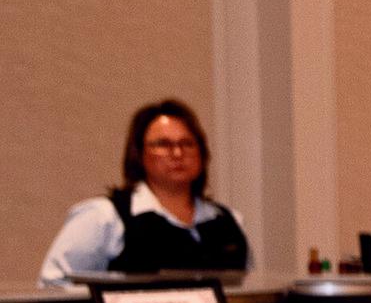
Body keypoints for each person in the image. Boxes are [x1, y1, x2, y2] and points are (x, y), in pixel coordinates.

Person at [38, 99, 251, 283]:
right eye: (163, 144)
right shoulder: (105, 218)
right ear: (139, 154)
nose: (177, 153)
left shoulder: (229, 221)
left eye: (187, 144)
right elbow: (54, 283)